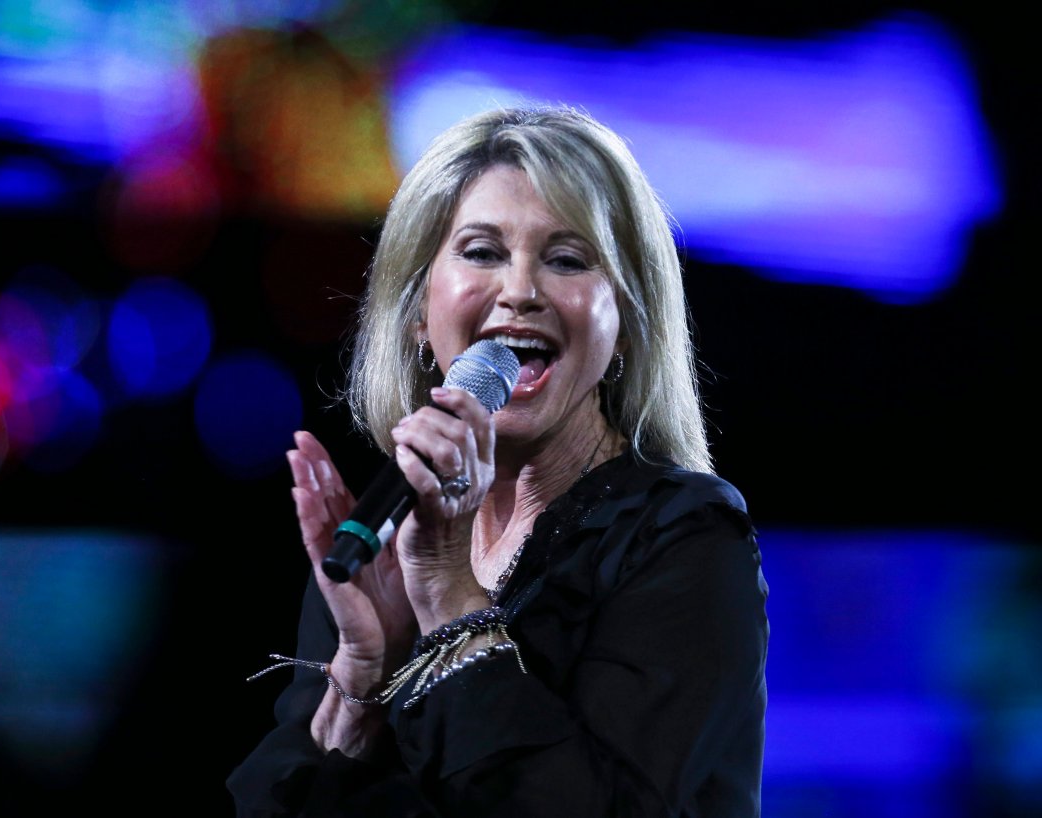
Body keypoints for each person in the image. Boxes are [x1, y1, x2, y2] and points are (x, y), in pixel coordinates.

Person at [227, 104, 769, 816]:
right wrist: (362, 677)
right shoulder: (382, 539)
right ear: (420, 309)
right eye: (482, 251)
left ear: (629, 326)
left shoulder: (686, 541)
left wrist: (450, 595)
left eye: (567, 259)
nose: (520, 291)